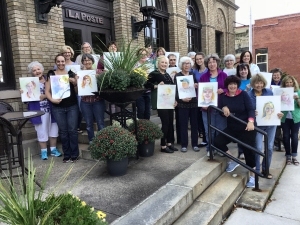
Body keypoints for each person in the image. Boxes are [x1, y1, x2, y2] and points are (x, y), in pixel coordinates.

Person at [214, 75, 257, 188]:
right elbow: (220, 111)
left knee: (249, 152)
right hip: (233, 128)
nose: (232, 86)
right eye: (230, 84)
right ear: (227, 86)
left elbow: (250, 109)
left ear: (237, 85)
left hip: (246, 127)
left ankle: (253, 177)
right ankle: (233, 159)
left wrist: (251, 121)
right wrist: (223, 109)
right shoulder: (223, 97)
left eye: (234, 84)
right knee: (217, 141)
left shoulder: (243, 94)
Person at [45, 54, 79, 163]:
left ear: (65, 61)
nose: (61, 63)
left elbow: (77, 91)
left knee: (72, 131)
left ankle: (74, 154)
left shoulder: (71, 74)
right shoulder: (51, 74)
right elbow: (47, 91)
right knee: (63, 132)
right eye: (58, 61)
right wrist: (52, 100)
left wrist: (74, 83)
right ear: (55, 62)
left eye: (62, 61)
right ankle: (67, 154)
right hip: (58, 107)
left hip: (72, 106)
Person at [248, 74, 283, 179]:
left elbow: (275, 106)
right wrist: (252, 113)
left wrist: (279, 113)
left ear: (264, 83)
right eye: (256, 83)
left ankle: (266, 169)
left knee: (269, 147)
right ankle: (257, 170)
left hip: (271, 124)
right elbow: (248, 110)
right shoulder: (249, 95)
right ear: (253, 84)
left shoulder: (269, 92)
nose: (259, 85)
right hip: (258, 124)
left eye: (261, 82)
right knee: (258, 147)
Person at [25, 61, 61, 160]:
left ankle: (53, 150)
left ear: (42, 70)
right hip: (39, 111)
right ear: (31, 72)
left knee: (54, 129)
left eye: (38, 69)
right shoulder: (28, 83)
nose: (37, 71)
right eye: (34, 70)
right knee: (41, 131)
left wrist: (45, 96)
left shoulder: (49, 80)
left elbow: (56, 91)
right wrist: (23, 92)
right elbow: (26, 99)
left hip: (52, 110)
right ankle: (44, 152)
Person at [145, 55, 178, 153]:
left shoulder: (167, 74)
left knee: (170, 123)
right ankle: (163, 145)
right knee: (165, 123)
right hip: (161, 102)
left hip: (169, 102)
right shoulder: (154, 73)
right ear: (158, 63)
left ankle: (169, 143)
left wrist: (174, 100)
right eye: (162, 62)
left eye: (166, 63)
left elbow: (172, 88)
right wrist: (156, 86)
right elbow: (145, 84)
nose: (164, 64)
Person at [199, 53, 227, 157]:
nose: (212, 64)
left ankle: (220, 148)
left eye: (214, 62)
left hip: (220, 107)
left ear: (217, 63)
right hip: (207, 108)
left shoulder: (223, 75)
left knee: (220, 130)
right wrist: (202, 104)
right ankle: (210, 149)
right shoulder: (203, 77)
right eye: (209, 62)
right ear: (207, 64)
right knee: (209, 131)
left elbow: (229, 89)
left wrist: (223, 90)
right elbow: (200, 93)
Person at [79, 53, 105, 144]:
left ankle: (102, 142)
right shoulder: (79, 73)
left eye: (89, 60)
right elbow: (76, 89)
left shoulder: (98, 71)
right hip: (85, 102)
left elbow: (106, 83)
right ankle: (92, 142)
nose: (87, 61)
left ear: (92, 61)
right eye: (85, 60)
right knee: (89, 124)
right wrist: (77, 80)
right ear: (82, 62)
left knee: (100, 123)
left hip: (97, 101)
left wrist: (100, 78)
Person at [175, 56, 199, 153]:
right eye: (185, 63)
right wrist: (181, 99)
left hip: (193, 104)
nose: (186, 65)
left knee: (194, 125)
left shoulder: (193, 75)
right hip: (182, 104)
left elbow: (197, 87)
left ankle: (195, 144)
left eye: (188, 63)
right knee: (183, 125)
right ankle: (184, 144)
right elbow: (175, 90)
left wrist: (196, 86)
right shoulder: (177, 75)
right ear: (181, 65)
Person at [280, 75, 300, 166]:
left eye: (290, 82)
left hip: (295, 118)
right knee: (286, 136)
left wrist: (297, 99)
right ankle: (288, 155)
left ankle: (294, 156)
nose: (288, 84)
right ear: (284, 84)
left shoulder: (298, 92)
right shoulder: (281, 92)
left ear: (293, 83)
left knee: (295, 136)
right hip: (285, 118)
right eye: (287, 82)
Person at [192, 52, 208, 147]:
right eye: (197, 59)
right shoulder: (194, 71)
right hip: (197, 98)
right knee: (200, 119)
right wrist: (194, 85)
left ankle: (209, 138)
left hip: (207, 97)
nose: (199, 60)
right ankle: (204, 139)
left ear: (203, 59)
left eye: (200, 58)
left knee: (207, 118)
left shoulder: (208, 70)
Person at [135, 47, 151, 120]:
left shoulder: (150, 65)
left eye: (145, 54)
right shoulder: (134, 66)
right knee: (141, 110)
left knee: (148, 112)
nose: (143, 56)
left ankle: (147, 128)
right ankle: (140, 128)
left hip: (148, 91)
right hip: (139, 92)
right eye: (141, 54)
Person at [270, 68, 283, 151]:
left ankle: (283, 143)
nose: (276, 76)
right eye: (274, 75)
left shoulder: (284, 84)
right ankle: (277, 144)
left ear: (280, 76)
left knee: (283, 127)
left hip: (283, 107)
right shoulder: (269, 84)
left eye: (277, 75)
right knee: (276, 127)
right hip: (273, 107)